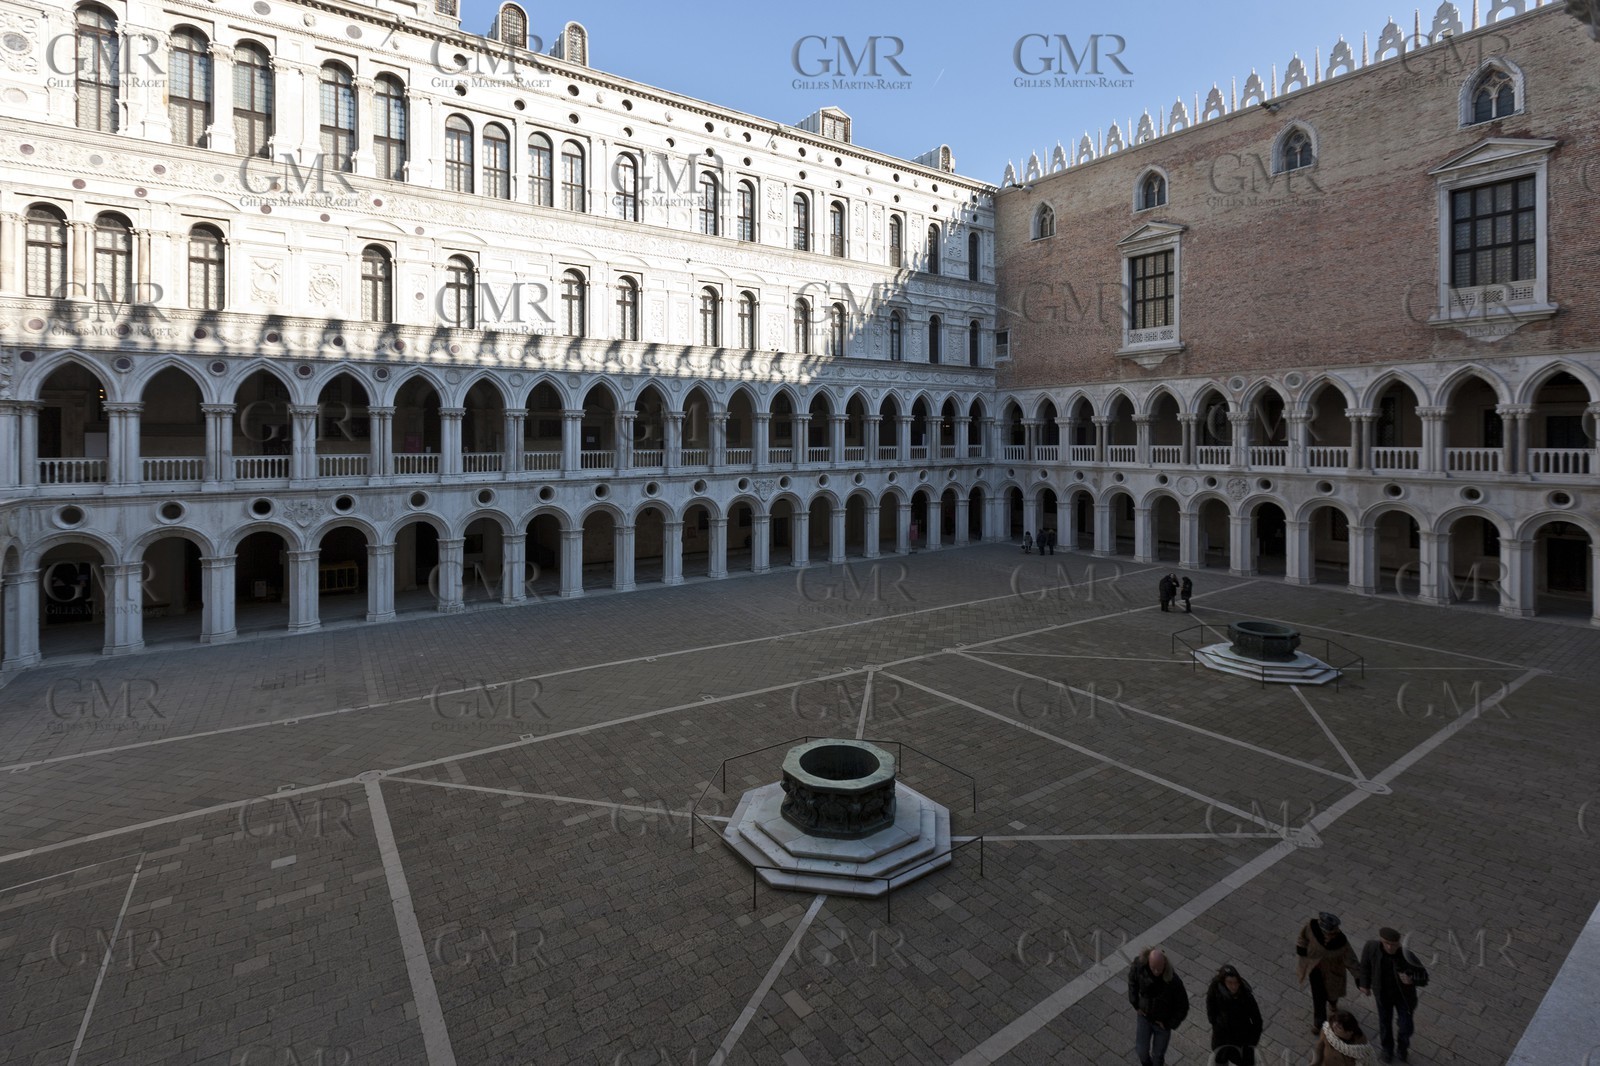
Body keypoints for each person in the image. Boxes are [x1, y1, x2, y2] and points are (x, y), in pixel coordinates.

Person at [1357, 927, 1430, 1063]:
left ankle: (1402, 1049)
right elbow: (1365, 966)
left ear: (1399, 943)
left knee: (1405, 1027)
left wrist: (1411, 979)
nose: (1390, 947)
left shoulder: (1407, 956)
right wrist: (1364, 984)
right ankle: (1387, 1050)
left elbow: (1424, 977)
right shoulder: (1371, 947)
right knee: (1384, 1023)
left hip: (1404, 998)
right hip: (1383, 994)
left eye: (1394, 944)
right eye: (1386, 943)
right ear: (1381, 941)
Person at [1296, 912, 1358, 1034]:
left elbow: (1351, 960)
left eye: (1330, 933)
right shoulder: (1311, 927)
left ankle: (1333, 1003)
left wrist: (1359, 977)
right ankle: (1319, 1023)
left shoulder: (1341, 942)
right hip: (1315, 971)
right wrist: (1302, 949)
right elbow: (1302, 938)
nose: (1327, 936)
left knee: (1332, 994)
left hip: (1333, 973)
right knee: (1318, 998)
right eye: (1325, 933)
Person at [1127, 946, 1189, 1066]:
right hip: (1144, 1017)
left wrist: (1169, 1023)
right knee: (1141, 1051)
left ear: (1164, 963)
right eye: (1153, 968)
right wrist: (1136, 1003)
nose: (1156, 972)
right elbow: (1132, 982)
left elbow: (1183, 1005)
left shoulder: (1173, 980)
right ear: (1148, 962)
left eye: (1159, 969)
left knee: (1158, 1056)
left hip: (1162, 1023)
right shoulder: (1140, 966)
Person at [1205, 964, 1263, 1065]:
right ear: (1223, 981)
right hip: (1222, 1039)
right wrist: (1215, 1023)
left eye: (1236, 983)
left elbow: (1257, 1021)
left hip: (1242, 1041)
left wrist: (1252, 1043)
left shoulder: (1246, 996)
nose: (1234, 986)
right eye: (1230, 983)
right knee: (1219, 1061)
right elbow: (1210, 1004)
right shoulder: (1215, 988)